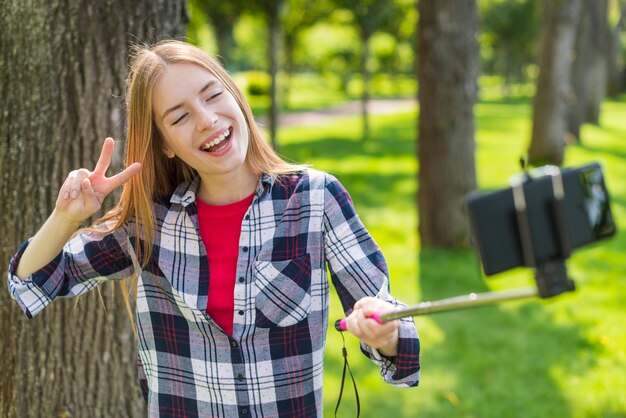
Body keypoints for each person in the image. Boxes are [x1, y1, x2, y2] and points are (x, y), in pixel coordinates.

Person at [7, 40, 420, 418]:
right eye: (180, 116)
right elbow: (32, 282)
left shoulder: (315, 198)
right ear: (165, 143)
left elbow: (393, 325)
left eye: (212, 95)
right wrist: (66, 216)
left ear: (235, 97)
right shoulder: (152, 221)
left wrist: (384, 332)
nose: (206, 120)